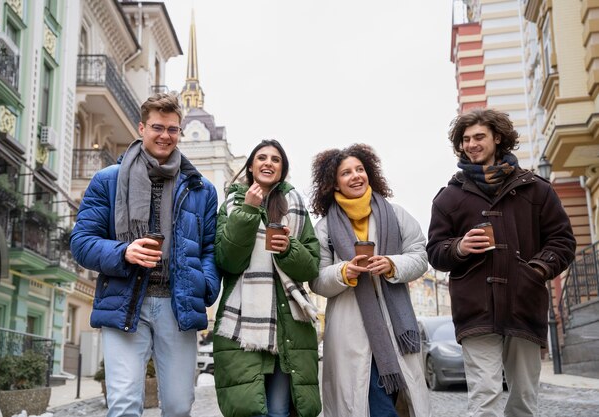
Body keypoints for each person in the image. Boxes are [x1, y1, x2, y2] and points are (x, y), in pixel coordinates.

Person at [70, 92, 220, 417]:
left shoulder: (201, 189)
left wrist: (206, 287)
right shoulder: (107, 181)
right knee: (124, 405)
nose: (165, 135)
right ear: (141, 128)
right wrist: (124, 251)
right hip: (125, 299)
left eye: (172, 129)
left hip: (177, 305)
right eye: (157, 127)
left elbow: (209, 248)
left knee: (179, 406)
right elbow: (81, 242)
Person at [427, 108, 576, 417]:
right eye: (466, 139)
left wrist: (536, 271)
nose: (471, 144)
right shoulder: (449, 198)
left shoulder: (537, 190)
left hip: (524, 304)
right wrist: (459, 246)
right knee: (485, 399)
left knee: (523, 398)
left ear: (497, 137)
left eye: (479, 136)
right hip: (475, 310)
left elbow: (562, 241)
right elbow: (435, 252)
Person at [309, 144, 431, 417]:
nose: (355, 176)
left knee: (396, 396)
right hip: (349, 327)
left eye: (359, 169)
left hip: (396, 326)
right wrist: (344, 272)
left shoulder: (396, 214)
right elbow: (316, 279)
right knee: (371, 399)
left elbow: (419, 256)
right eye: (346, 173)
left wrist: (391, 263)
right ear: (334, 182)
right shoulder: (325, 227)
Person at [213, 139, 322, 417]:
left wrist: (288, 249)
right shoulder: (232, 204)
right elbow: (228, 260)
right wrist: (248, 210)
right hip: (241, 326)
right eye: (262, 158)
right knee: (251, 411)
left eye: (275, 159)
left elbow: (310, 268)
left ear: (282, 169)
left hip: (290, 324)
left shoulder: (295, 205)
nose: (268, 163)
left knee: (279, 411)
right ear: (251, 166)